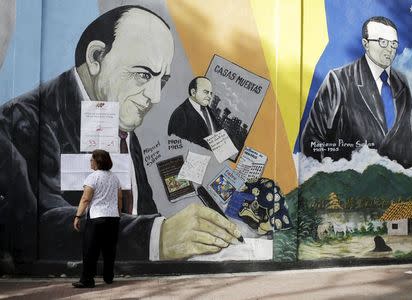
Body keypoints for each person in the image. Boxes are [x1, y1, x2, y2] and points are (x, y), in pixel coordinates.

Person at [0, 5, 242, 265]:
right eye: (142, 75)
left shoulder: (122, 122)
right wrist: (156, 237)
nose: (155, 96)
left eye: (161, 80)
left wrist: (186, 238)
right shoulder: (24, 119)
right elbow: (41, 226)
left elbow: (141, 211)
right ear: (96, 58)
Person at [301, 16, 412, 169]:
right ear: (366, 44)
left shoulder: (401, 81)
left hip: (392, 184)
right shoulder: (338, 80)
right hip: (347, 184)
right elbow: (312, 139)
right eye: (383, 42)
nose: (390, 49)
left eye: (394, 44)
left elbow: (409, 130)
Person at [72, 150, 122, 288]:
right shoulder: (115, 178)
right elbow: (119, 198)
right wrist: (118, 214)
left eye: (91, 160)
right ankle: (108, 277)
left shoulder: (92, 178)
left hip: (97, 218)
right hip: (113, 218)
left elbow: (86, 198)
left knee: (90, 250)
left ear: (97, 161)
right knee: (109, 250)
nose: (90, 162)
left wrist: (77, 216)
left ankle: (87, 280)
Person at [168, 76, 222, 149]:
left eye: (210, 93)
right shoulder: (180, 114)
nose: (209, 96)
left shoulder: (208, 109)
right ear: (193, 92)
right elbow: (175, 146)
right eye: (206, 92)